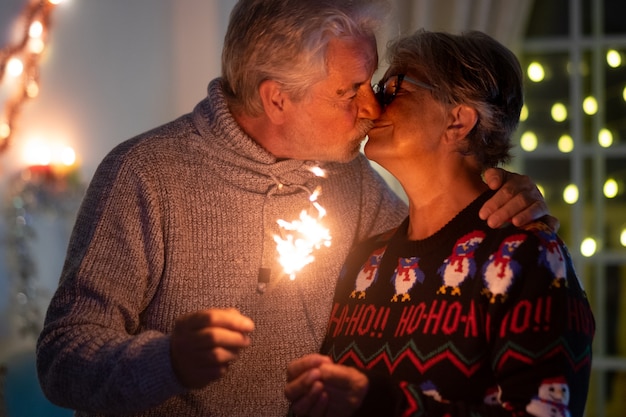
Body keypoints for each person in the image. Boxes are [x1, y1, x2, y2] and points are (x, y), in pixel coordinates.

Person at [36, 1, 552, 416]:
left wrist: (502, 190)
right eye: (350, 91)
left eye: (371, 83)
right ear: (277, 99)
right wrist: (166, 361)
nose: (372, 109)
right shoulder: (145, 175)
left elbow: (439, 234)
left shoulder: (350, 176)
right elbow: (62, 357)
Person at [285, 30, 594, 417]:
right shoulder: (365, 259)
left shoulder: (528, 258)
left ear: (458, 121)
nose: (373, 107)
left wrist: (380, 403)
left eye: (394, 88)